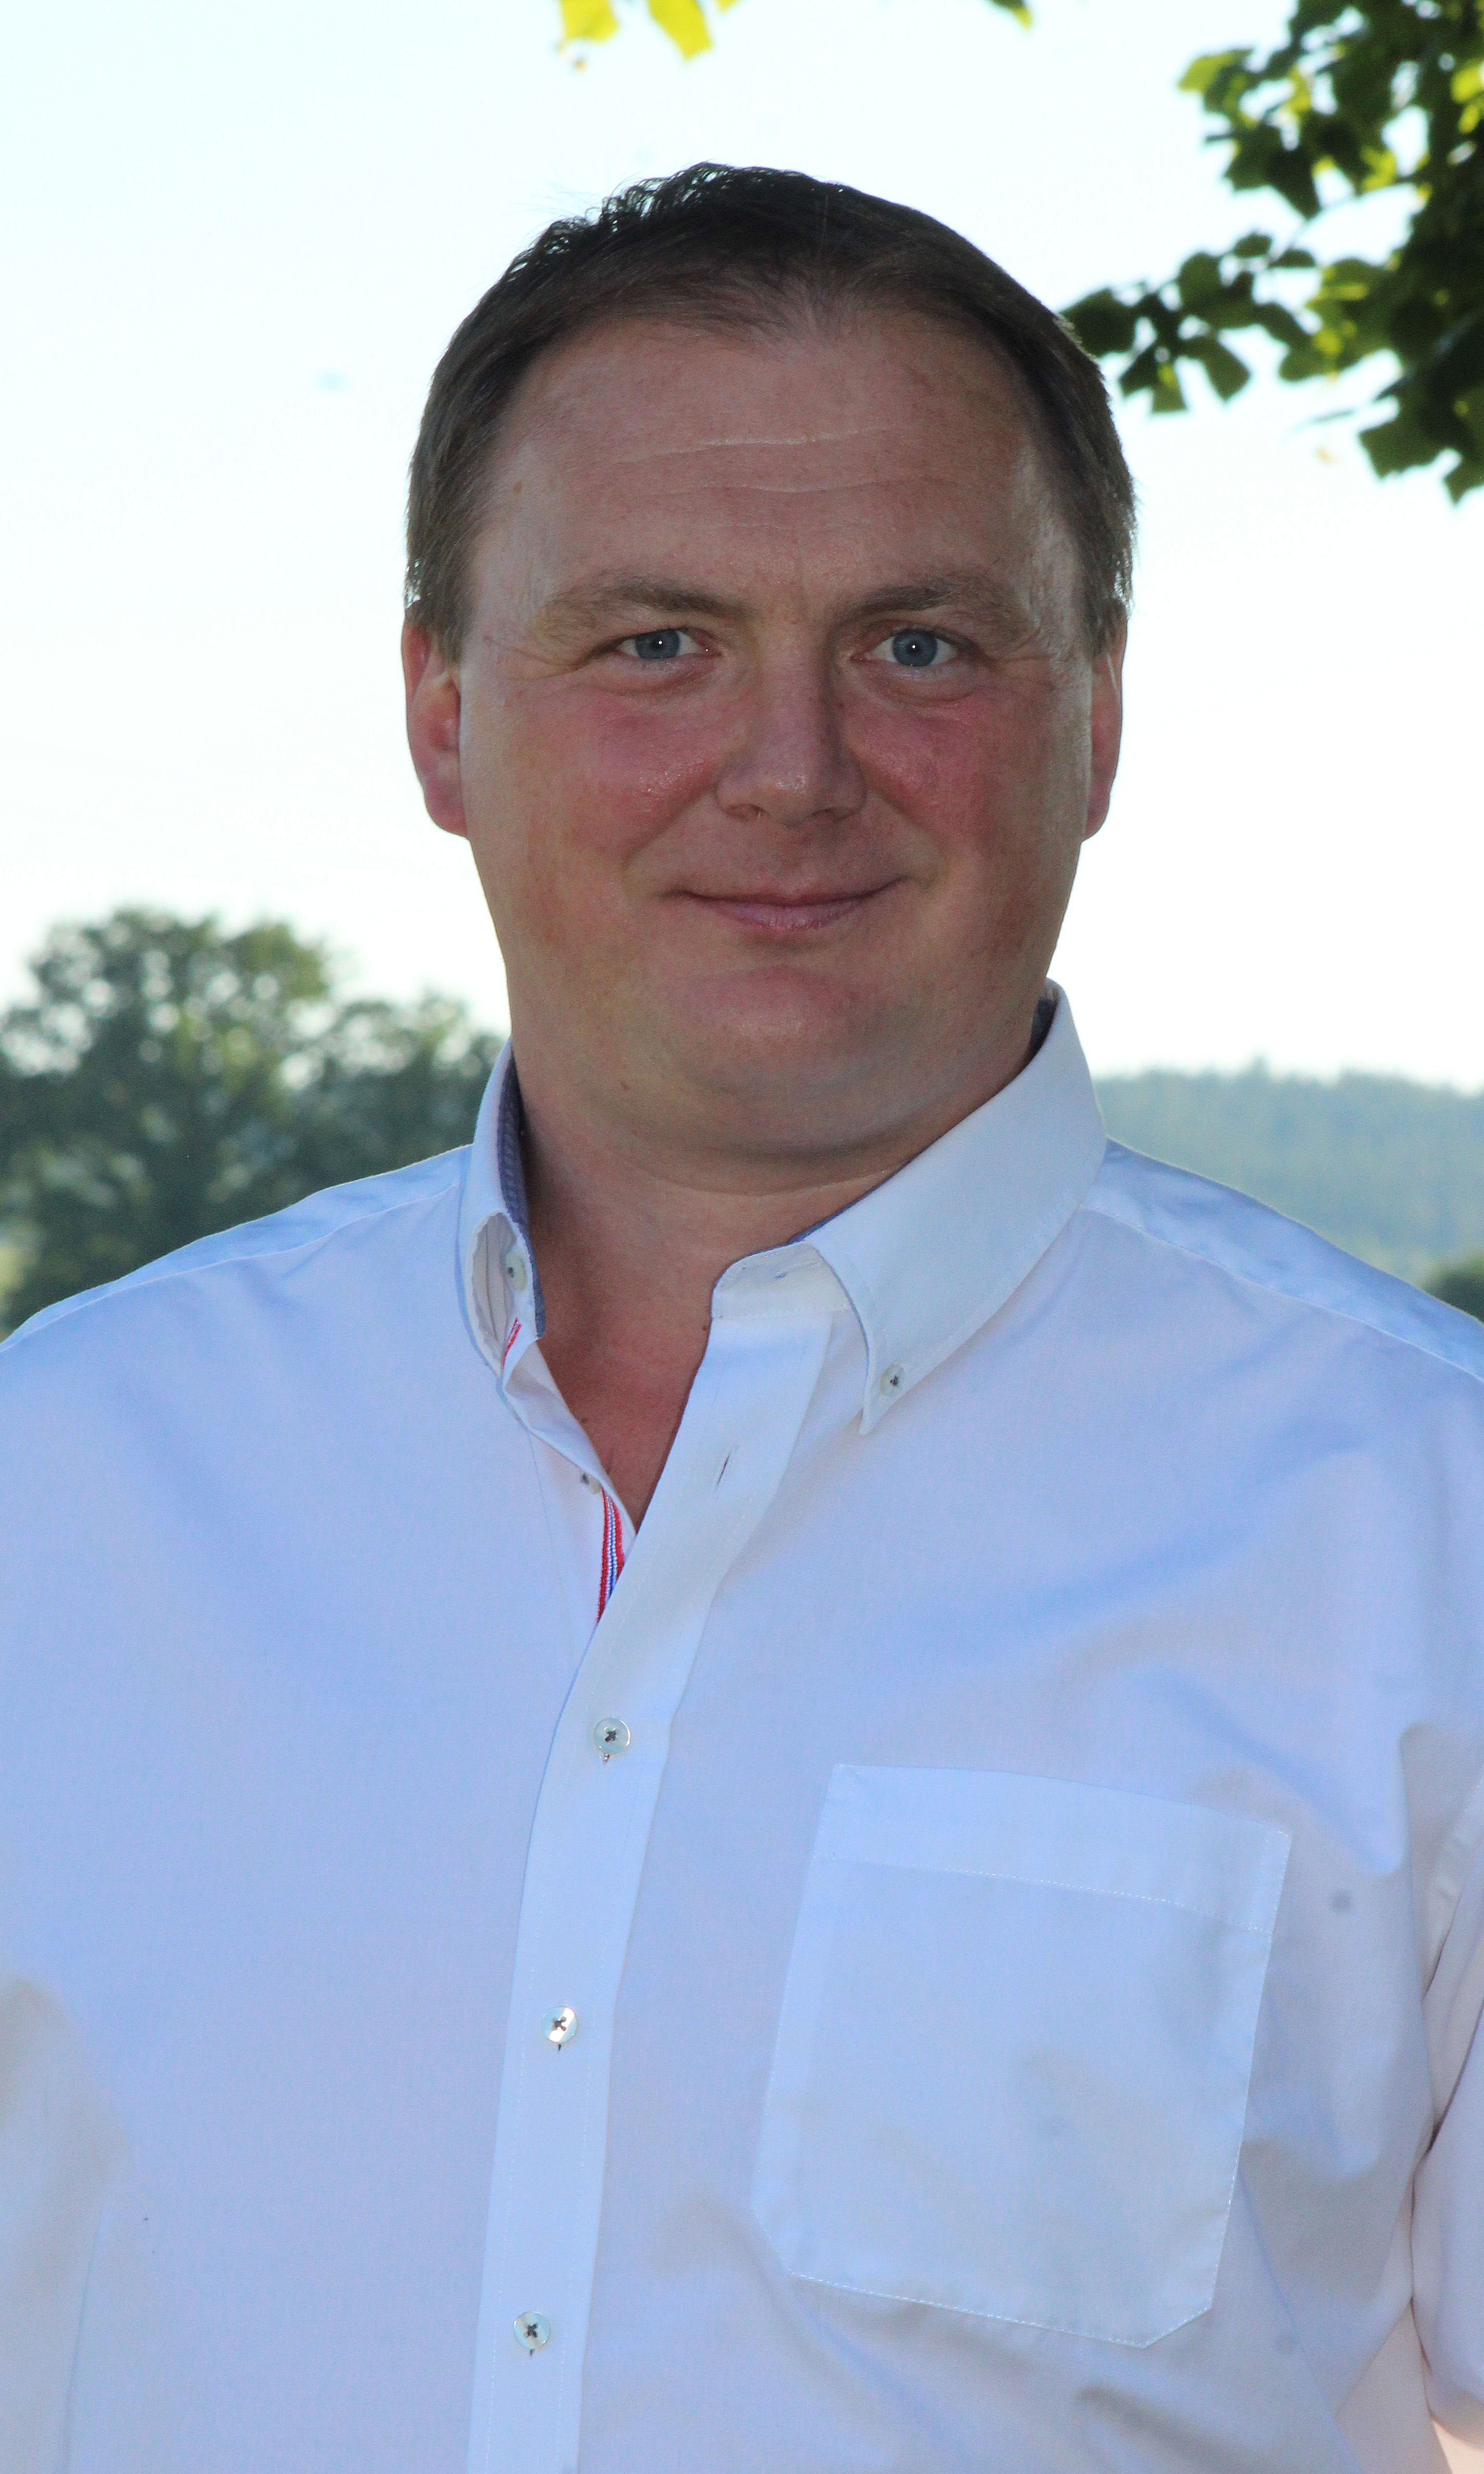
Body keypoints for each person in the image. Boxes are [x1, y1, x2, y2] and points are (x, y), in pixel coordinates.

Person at [2, 163, 1481, 2474]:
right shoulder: (62, 1490)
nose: (790, 768)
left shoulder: (1430, 1528)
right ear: (439, 717)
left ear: (1097, 718)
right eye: (655, 643)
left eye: (921, 645)